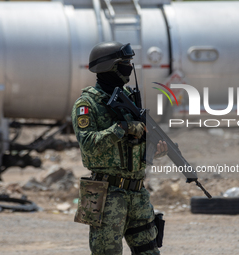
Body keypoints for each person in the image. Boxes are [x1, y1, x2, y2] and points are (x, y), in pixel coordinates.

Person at [71, 41, 167, 255]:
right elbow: (88, 145)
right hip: (107, 195)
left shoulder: (128, 101)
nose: (129, 68)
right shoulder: (87, 105)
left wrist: (154, 150)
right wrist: (121, 128)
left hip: (137, 193)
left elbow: (134, 147)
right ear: (109, 67)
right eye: (124, 63)